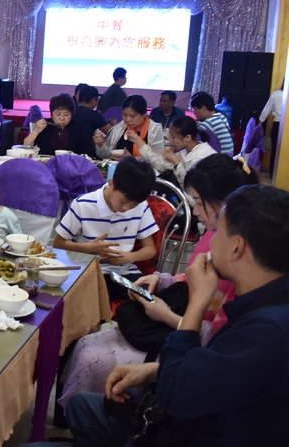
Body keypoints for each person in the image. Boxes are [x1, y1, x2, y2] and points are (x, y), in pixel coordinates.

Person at [41, 184, 289, 447]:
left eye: (218, 232)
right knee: (81, 404)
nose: (210, 240)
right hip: (185, 421)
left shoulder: (268, 332)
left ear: (236, 248)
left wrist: (198, 301)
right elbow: (222, 374)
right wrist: (154, 370)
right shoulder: (267, 301)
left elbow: (177, 394)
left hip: (189, 433)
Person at [57, 154, 257, 411]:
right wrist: (161, 279)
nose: (194, 212)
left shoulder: (239, 262)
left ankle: (93, 412)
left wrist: (166, 315)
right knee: (84, 339)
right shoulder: (214, 234)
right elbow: (189, 279)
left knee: (91, 352)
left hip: (185, 332)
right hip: (176, 318)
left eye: (198, 202)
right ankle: (76, 411)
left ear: (225, 204)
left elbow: (218, 338)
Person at [53, 157, 157, 277]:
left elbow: (150, 249)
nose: (127, 208)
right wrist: (89, 248)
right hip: (86, 270)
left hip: (124, 271)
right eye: (124, 201)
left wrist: (128, 257)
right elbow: (58, 243)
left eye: (134, 204)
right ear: (111, 183)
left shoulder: (142, 206)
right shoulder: (83, 204)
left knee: (143, 289)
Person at [132, 116, 217, 189]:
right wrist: (139, 142)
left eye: (173, 137)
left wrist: (176, 163)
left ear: (187, 137)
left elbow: (190, 188)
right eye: (170, 136)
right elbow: (160, 164)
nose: (170, 140)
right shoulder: (185, 151)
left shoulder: (201, 156)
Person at [94, 95, 165, 159]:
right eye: (125, 115)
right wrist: (100, 145)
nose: (127, 119)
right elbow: (106, 156)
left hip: (143, 169)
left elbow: (158, 161)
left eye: (132, 116)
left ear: (144, 114)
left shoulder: (155, 129)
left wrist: (132, 159)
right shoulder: (119, 128)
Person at [24, 92, 93, 156]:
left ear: (72, 115)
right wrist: (36, 131)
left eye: (66, 114)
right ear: (51, 114)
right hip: (46, 163)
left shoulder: (77, 127)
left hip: (71, 163)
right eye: (58, 114)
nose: (62, 118)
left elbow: (85, 152)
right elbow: (26, 146)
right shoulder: (45, 126)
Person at [71, 85, 111, 159]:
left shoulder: (70, 112)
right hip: (87, 154)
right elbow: (111, 132)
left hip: (70, 151)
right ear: (93, 100)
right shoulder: (94, 114)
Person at [260, 84, 283, 176]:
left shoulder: (276, 94)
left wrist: (260, 123)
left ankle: (273, 173)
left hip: (277, 125)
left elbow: (267, 109)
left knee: (275, 150)